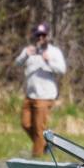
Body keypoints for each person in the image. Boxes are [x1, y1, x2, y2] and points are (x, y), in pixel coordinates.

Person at [14, 23, 67, 156]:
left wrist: (49, 61)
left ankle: (36, 157)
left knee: (39, 128)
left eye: (43, 35)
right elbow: (17, 63)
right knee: (25, 124)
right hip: (30, 94)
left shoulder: (54, 52)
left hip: (45, 96)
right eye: (38, 35)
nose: (40, 38)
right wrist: (25, 55)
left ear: (48, 36)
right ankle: (46, 144)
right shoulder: (29, 50)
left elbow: (62, 70)